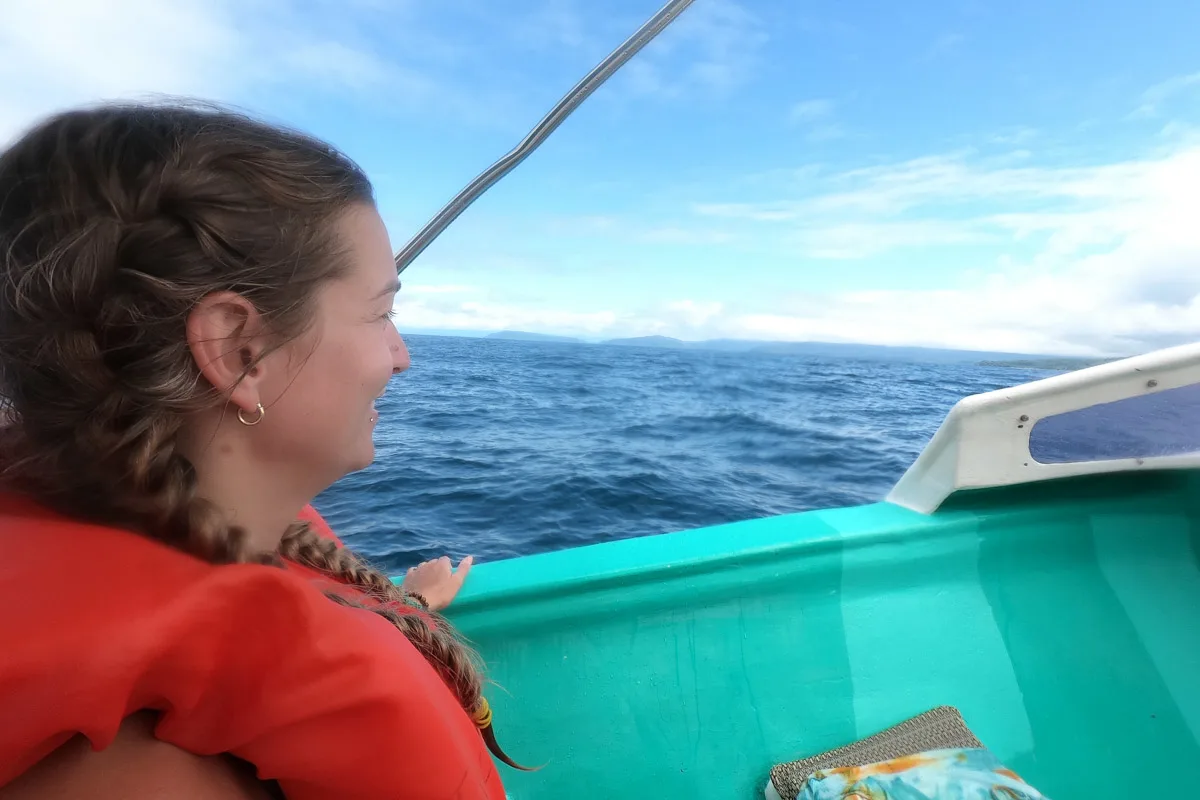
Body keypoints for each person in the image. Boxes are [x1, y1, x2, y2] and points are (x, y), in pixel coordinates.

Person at [0, 103, 519, 798]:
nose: (402, 356)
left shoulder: (182, 538)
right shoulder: (145, 775)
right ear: (239, 351)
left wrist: (405, 607)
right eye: (381, 312)